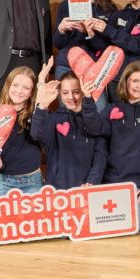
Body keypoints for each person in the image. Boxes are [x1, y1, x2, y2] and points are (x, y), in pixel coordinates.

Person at [82, 61, 140, 233]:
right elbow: (95, 129)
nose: (139, 86)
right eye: (135, 81)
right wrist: (88, 99)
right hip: (110, 182)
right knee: (103, 227)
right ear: (126, 81)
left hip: (136, 184)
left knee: (134, 227)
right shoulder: (112, 108)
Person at [31, 59, 107, 189]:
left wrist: (92, 182)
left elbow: (100, 156)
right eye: (65, 92)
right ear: (59, 94)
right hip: (57, 191)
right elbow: (36, 134)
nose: (71, 97)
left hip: (86, 188)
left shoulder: (94, 120)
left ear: (83, 92)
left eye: (76, 92)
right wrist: (42, 105)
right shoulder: (54, 118)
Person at [52, 0, 117, 110]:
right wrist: (61, 29)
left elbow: (108, 47)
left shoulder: (109, 8)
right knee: (69, 112)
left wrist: (90, 34)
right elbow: (58, 44)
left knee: (99, 109)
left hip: (94, 67)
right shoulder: (65, 5)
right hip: (66, 65)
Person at [0, 67, 43, 197]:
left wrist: (42, 85)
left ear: (31, 92)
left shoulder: (37, 114)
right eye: (15, 85)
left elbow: (41, 136)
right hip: (2, 181)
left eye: (26, 88)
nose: (19, 91)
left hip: (32, 181)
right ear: (8, 86)